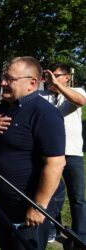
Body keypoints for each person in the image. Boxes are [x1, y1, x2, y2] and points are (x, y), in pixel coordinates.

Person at [0, 56, 66, 250]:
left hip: (29, 203)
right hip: (5, 200)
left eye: (10, 79)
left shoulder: (44, 113)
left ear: (32, 83)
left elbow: (56, 164)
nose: (3, 83)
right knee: (6, 245)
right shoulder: (2, 108)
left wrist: (38, 207)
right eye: (3, 78)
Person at [40, 63, 86, 245]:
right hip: (50, 154)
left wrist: (58, 86)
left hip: (73, 152)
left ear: (66, 77)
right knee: (52, 194)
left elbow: (79, 101)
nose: (50, 79)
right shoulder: (43, 96)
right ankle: (53, 228)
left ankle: (81, 235)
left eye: (55, 75)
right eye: (48, 76)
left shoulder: (78, 90)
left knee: (77, 197)